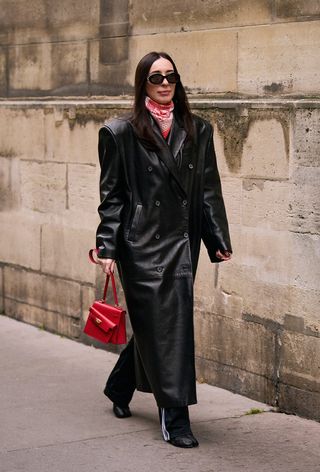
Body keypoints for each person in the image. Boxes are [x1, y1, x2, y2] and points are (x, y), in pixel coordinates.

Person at [95, 51, 232, 449]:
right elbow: (113, 197)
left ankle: (119, 387)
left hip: (181, 243)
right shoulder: (119, 133)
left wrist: (217, 239)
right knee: (168, 326)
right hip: (140, 247)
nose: (165, 83)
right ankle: (175, 418)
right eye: (156, 77)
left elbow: (208, 190)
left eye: (171, 76)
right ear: (143, 84)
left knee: (162, 326)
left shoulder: (197, 129)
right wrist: (107, 246)